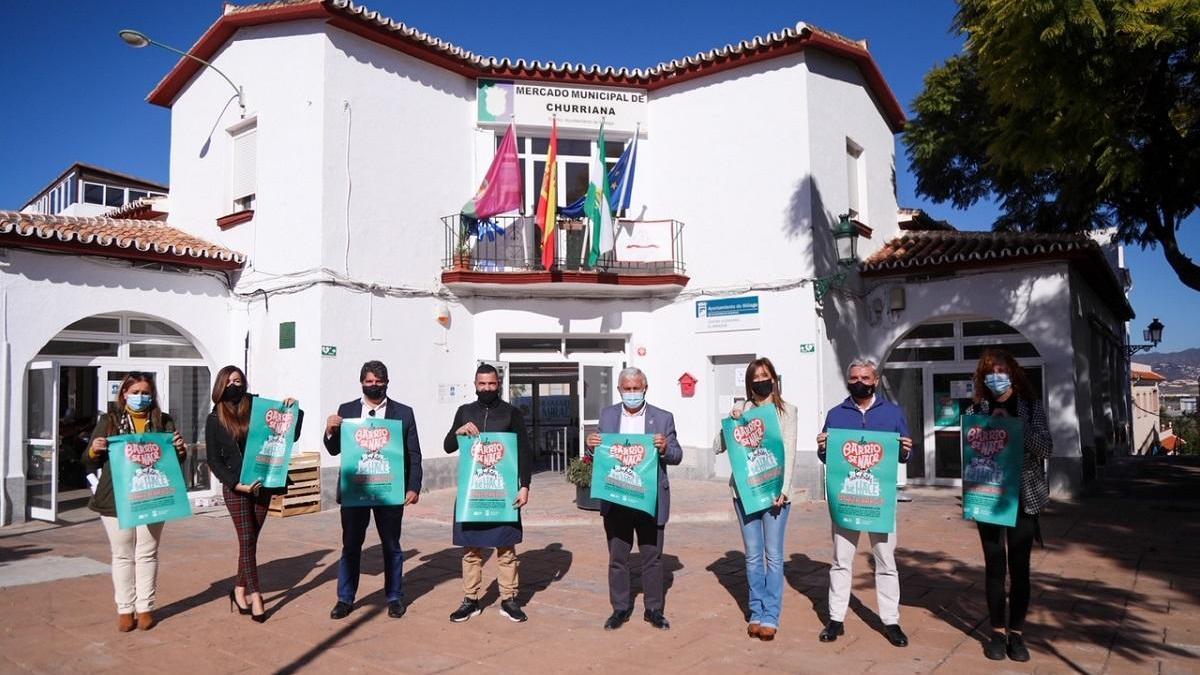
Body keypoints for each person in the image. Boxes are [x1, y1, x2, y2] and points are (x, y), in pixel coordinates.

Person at [816, 359, 913, 647]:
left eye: (865, 377)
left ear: (876, 380)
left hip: (880, 503)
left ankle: (891, 621)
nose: (859, 381)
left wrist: (906, 451)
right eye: (854, 377)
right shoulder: (836, 414)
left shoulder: (893, 413)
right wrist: (822, 448)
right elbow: (829, 457)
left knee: (885, 560)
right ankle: (835, 619)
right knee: (841, 560)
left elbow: (903, 455)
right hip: (846, 501)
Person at [964, 349, 1052, 663]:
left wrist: (1015, 425)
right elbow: (972, 450)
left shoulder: (1030, 405)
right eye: (989, 372)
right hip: (988, 495)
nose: (995, 377)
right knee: (993, 566)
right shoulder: (979, 406)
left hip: (1024, 496)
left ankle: (1017, 634)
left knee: (1020, 568)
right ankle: (997, 633)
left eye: (1000, 370)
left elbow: (1045, 448)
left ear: (1012, 372)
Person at [83, 373, 187, 632]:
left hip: (153, 495)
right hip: (115, 499)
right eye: (136, 392)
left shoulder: (163, 422)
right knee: (122, 554)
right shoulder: (109, 421)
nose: (141, 397)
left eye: (146, 392)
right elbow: (88, 461)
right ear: (124, 394)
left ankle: (145, 608)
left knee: (147, 552)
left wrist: (180, 449)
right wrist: (94, 448)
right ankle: (125, 610)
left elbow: (174, 461)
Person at [586, 367, 683, 631]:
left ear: (645, 388)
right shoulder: (607, 416)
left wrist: (664, 448)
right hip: (617, 497)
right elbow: (599, 452)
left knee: (652, 557)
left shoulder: (663, 418)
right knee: (618, 556)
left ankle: (653, 609)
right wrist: (590, 444)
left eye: (636, 388)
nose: (632, 393)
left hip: (649, 498)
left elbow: (676, 454)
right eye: (626, 389)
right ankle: (619, 608)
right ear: (619, 390)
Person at [324, 361, 423, 620]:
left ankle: (394, 596)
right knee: (351, 546)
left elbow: (414, 453)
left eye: (379, 381)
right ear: (361, 382)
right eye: (369, 381)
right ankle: (345, 599)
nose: (374, 385)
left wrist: (413, 486)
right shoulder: (347, 410)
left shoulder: (403, 412)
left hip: (388, 489)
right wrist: (330, 429)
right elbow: (334, 450)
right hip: (355, 490)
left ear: (387, 382)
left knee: (391, 545)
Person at [205, 365, 302, 623]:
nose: (234, 386)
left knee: (250, 540)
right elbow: (213, 460)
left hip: (263, 483)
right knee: (247, 538)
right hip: (236, 486)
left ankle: (238, 589)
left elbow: (286, 436)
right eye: (229, 382)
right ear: (220, 386)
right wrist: (235, 484)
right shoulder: (215, 418)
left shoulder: (259, 409)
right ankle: (255, 594)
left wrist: (294, 411)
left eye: (238, 381)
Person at [714, 358, 797, 641]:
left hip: (775, 494)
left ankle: (771, 615)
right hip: (745, 493)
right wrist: (732, 419)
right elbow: (717, 446)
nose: (762, 380)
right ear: (749, 383)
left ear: (774, 378)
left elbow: (791, 451)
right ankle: (756, 612)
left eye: (766, 375)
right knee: (752, 556)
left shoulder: (787, 412)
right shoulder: (744, 411)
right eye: (756, 376)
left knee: (773, 556)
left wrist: (784, 490)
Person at [443, 364, 533, 623]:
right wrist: (459, 431)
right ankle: (470, 600)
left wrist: (524, 485)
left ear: (499, 384)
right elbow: (448, 445)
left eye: (491, 384)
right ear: (475, 384)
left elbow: (524, 452)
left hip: (503, 494)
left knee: (506, 550)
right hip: (473, 493)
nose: (487, 388)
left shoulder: (511, 413)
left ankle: (509, 599)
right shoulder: (464, 411)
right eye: (482, 384)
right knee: (471, 551)